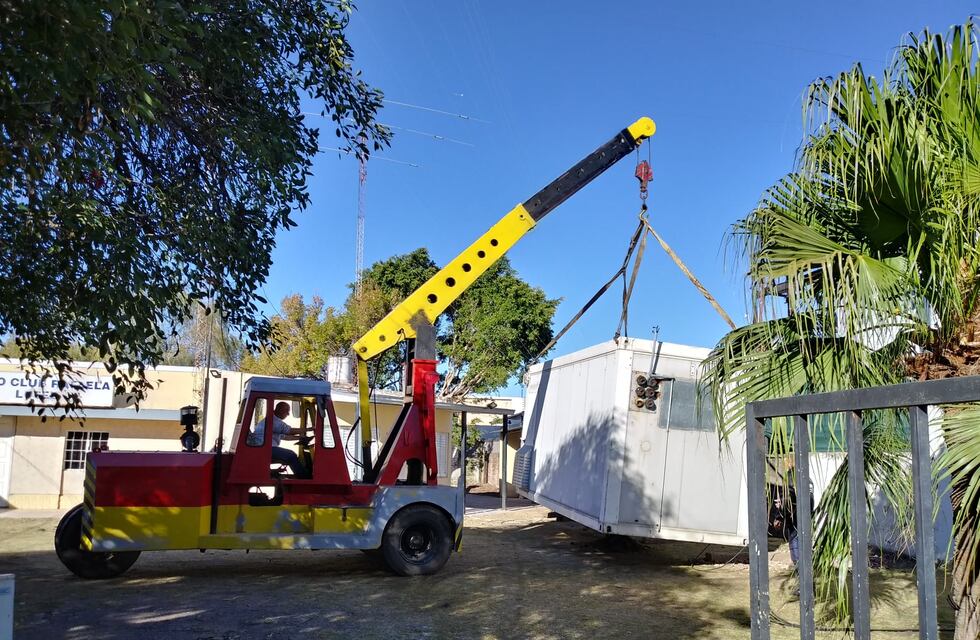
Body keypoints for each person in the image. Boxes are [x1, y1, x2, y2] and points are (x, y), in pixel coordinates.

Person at [250, 401, 306, 477]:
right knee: (291, 455)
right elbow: (289, 431)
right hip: (266, 449)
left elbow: (284, 436)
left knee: (290, 455)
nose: (288, 414)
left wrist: (300, 438)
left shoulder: (272, 420)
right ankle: (303, 477)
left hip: (263, 447)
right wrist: (310, 429)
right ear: (281, 410)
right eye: (287, 411)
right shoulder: (274, 421)